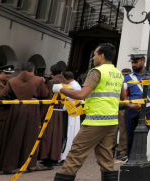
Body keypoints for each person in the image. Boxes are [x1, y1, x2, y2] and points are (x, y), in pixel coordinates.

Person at [51, 42, 124, 181]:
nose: (93, 58)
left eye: (95, 55)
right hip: (112, 121)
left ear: (101, 55)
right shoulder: (118, 74)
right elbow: (123, 97)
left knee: (75, 155)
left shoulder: (97, 72)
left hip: (95, 120)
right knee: (106, 158)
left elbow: (81, 95)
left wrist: (60, 88)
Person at [0, 61, 51, 173]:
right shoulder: (38, 80)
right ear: (33, 70)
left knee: (13, 137)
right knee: (30, 138)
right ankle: (29, 164)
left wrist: (12, 102)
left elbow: (2, 98)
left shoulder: (12, 81)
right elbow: (45, 95)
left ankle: (9, 165)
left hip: (16, 110)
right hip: (32, 110)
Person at [39, 61, 69, 166]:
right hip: (60, 112)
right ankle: (55, 156)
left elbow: (48, 98)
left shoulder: (52, 82)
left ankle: (47, 157)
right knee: (57, 136)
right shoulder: (65, 81)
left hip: (51, 111)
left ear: (51, 72)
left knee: (48, 135)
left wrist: (41, 113)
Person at [62, 71, 82, 159]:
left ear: (65, 79)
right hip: (72, 112)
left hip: (72, 113)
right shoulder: (75, 84)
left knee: (69, 134)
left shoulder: (72, 86)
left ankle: (66, 155)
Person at [115, 67, 131, 160]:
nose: (124, 76)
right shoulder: (117, 83)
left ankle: (122, 151)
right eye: (123, 74)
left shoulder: (131, 84)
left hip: (123, 109)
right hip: (114, 109)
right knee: (112, 131)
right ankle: (111, 150)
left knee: (123, 131)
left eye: (126, 75)